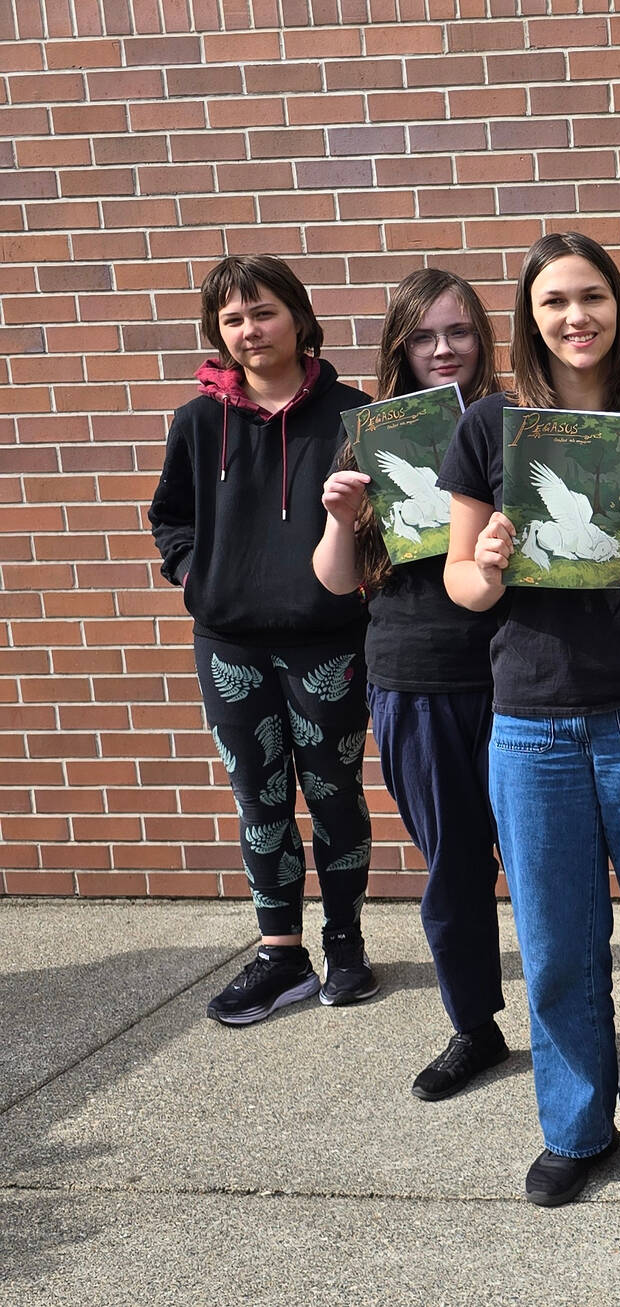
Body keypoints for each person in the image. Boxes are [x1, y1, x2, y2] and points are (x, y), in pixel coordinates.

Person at [439, 232, 620, 1206]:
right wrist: (495, 560)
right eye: (554, 301)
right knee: (556, 944)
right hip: (532, 725)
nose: (575, 316)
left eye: (591, 297)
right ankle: (574, 1124)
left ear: (618, 308)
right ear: (531, 317)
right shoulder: (491, 430)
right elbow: (460, 582)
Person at [148, 254, 376, 1026]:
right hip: (230, 645)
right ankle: (282, 953)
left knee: (333, 793)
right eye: (234, 318)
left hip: (328, 642)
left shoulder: (354, 414)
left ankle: (345, 941)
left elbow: (379, 530)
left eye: (264, 311)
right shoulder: (196, 421)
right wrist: (193, 575)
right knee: (261, 799)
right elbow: (169, 517)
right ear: (217, 332)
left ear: (299, 317)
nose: (251, 329)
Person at [313, 269, 511, 1101]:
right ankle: (475, 1026)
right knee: (453, 867)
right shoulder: (370, 438)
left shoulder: (517, 422)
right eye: (424, 336)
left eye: (458, 332)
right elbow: (333, 580)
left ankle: (578, 1026)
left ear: (483, 338)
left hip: (519, 677)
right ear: (400, 346)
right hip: (415, 678)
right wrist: (337, 514)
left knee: (545, 865)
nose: (442, 349)